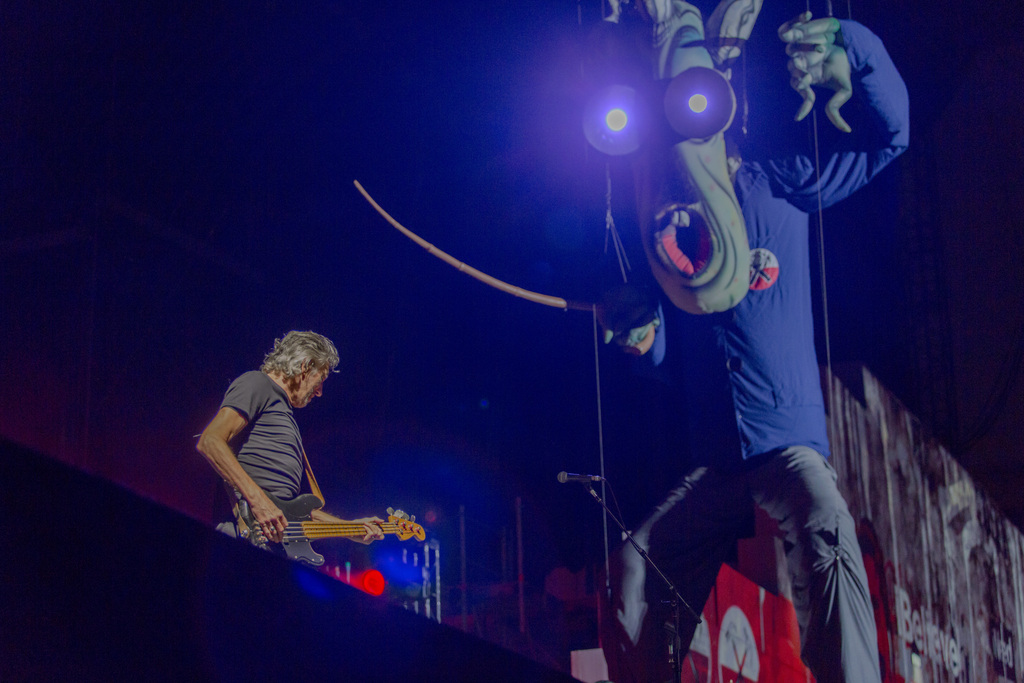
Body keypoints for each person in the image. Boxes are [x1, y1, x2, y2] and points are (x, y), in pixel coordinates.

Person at [596, 3, 909, 682]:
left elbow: (890, 138)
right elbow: (668, 356)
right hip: (718, 462)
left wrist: (851, 46)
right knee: (638, 559)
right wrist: (641, 339)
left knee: (825, 527)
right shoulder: (664, 224)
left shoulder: (775, 182)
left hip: (787, 445)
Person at [196, 330, 384, 546]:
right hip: (243, 536)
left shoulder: (286, 417)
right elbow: (210, 441)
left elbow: (296, 511)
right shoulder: (258, 383)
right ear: (305, 366)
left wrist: (352, 530)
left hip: (273, 544)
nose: (320, 391)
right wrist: (259, 502)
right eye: (321, 379)